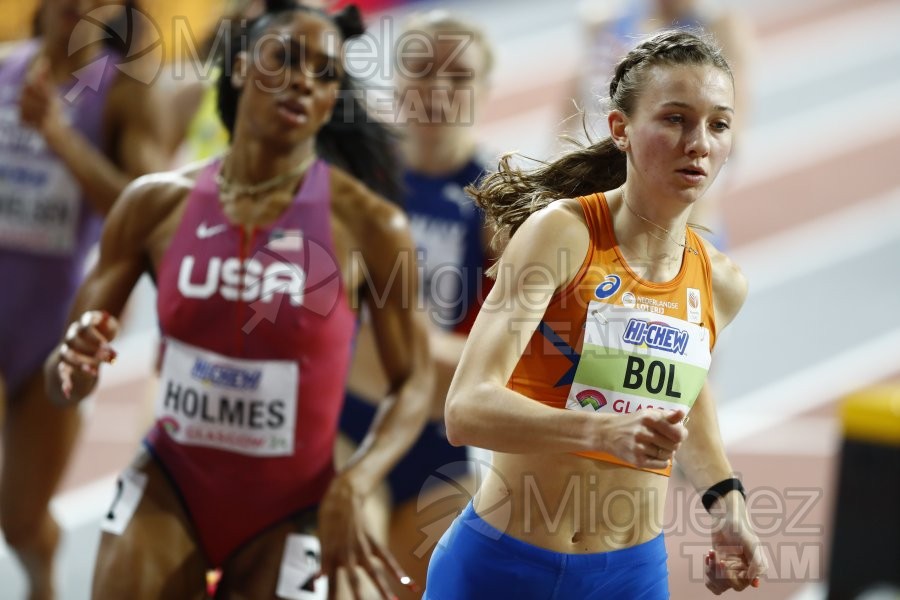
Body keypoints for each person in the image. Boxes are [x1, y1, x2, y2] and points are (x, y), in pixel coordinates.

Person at [43, 4, 431, 598]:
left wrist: (356, 481)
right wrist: (72, 364)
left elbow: (415, 382)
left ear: (331, 103)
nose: (304, 80)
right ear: (243, 67)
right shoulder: (154, 206)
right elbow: (65, 382)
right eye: (286, 59)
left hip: (294, 503)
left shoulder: (373, 227)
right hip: (171, 484)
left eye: (325, 74)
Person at [427, 30, 766, 599]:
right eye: (675, 119)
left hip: (628, 578)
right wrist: (601, 430)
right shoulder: (563, 235)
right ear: (621, 130)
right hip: (502, 567)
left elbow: (689, 404)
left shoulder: (721, 283)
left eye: (718, 125)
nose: (699, 143)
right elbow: (466, 409)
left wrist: (728, 504)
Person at [0, 1, 167, 598]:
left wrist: (58, 137)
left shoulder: (120, 91)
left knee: (19, 519)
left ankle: (42, 578)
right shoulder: (4, 68)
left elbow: (144, 213)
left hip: (50, 326)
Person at [336, 10, 495, 594]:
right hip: (351, 423)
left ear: (484, 91)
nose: (437, 90)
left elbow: (502, 358)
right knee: (342, 581)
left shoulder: (501, 210)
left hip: (440, 444)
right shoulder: (357, 185)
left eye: (458, 77)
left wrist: (412, 339)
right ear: (397, 80)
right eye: (422, 71)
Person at [568, 0, 753, 248]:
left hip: (673, 180)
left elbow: (732, 116)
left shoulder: (720, 26)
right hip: (608, 167)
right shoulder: (604, 22)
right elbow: (575, 97)